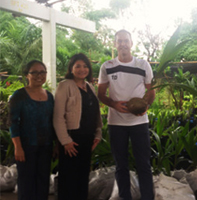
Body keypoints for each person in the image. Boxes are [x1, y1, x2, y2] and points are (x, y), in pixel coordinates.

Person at [97, 29, 155, 200]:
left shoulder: (143, 65)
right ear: (115, 44)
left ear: (131, 43)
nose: (123, 44)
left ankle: (147, 198)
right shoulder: (107, 66)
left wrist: (146, 106)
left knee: (143, 164)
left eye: (125, 41)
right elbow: (101, 94)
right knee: (120, 166)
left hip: (139, 122)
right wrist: (113, 104)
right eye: (119, 41)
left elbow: (151, 92)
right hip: (116, 123)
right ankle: (124, 197)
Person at [53, 53, 102, 200]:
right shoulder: (64, 85)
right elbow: (58, 116)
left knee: (82, 176)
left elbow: (95, 113)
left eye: (85, 66)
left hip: (87, 138)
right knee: (69, 178)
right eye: (78, 66)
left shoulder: (89, 87)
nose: (82, 69)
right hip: (71, 139)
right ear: (71, 68)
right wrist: (65, 141)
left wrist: (98, 134)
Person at [9, 60, 55, 200]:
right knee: (26, 183)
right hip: (26, 147)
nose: (39, 75)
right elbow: (13, 123)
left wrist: (55, 144)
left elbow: (52, 122)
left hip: (46, 147)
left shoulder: (50, 97)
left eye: (42, 72)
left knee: (43, 182)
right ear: (27, 75)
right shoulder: (19, 95)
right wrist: (18, 147)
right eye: (34, 72)